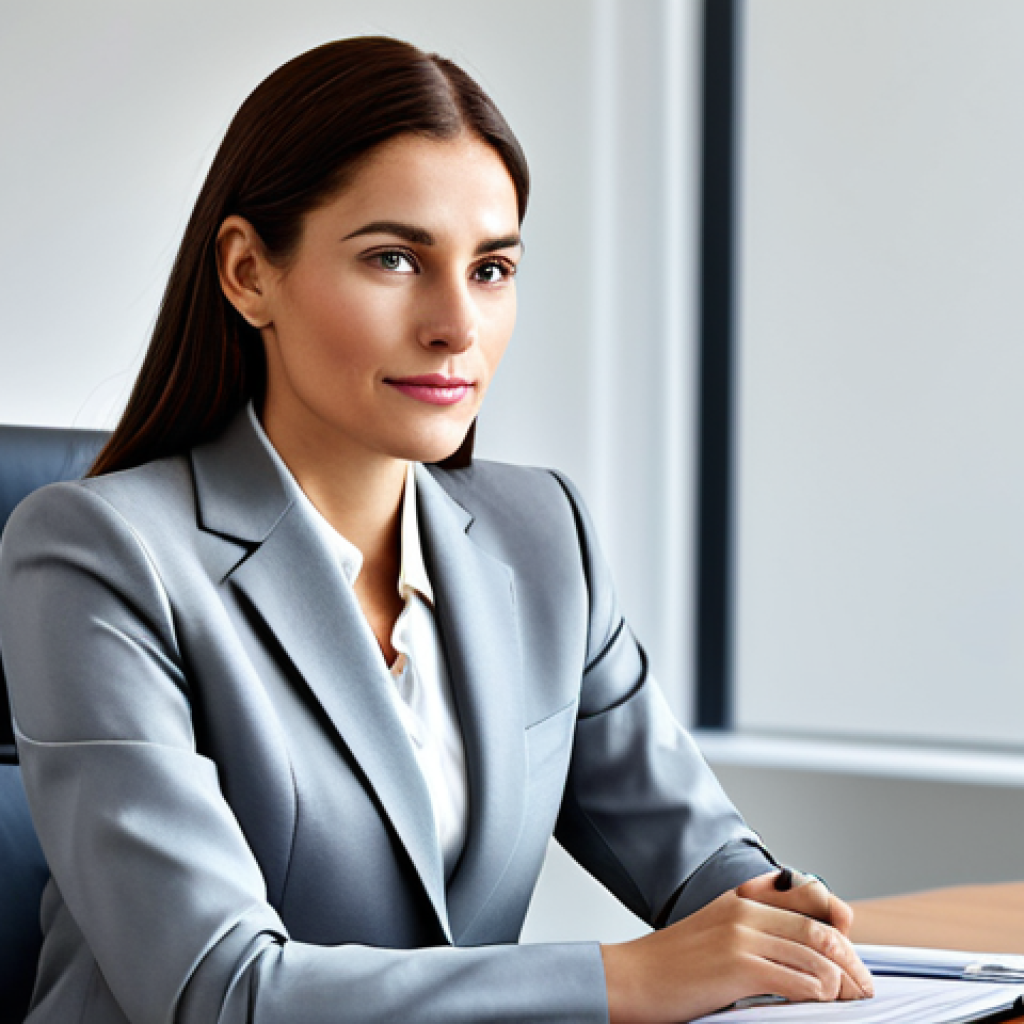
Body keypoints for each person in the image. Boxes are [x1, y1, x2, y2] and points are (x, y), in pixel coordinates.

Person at [0, 36, 873, 1024]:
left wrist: (773, 912)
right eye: (394, 258)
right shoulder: (96, 555)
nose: (456, 324)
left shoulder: (543, 534)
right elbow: (220, 989)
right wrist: (628, 977)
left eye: (492, 268)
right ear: (249, 273)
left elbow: (698, 855)